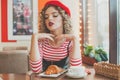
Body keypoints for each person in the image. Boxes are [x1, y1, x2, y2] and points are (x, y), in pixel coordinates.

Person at [29, 1, 82, 73]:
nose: (49, 19)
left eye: (55, 15)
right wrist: (34, 38)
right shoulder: (41, 41)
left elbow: (76, 69)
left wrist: (75, 39)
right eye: (46, 17)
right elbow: (35, 70)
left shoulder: (70, 42)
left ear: (64, 18)